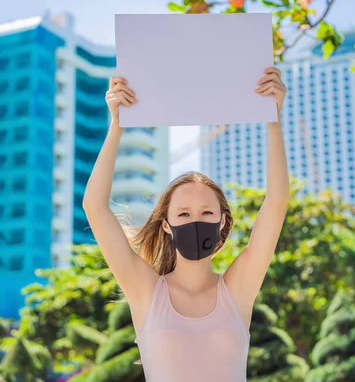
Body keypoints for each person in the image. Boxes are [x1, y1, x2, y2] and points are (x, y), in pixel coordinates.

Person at [82, 67, 290, 382]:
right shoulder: (147, 291)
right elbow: (95, 207)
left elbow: (276, 202)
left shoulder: (237, 290)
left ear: (222, 222)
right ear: (166, 224)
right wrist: (117, 126)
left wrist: (273, 119)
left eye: (207, 214)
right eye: (183, 214)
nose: (195, 221)